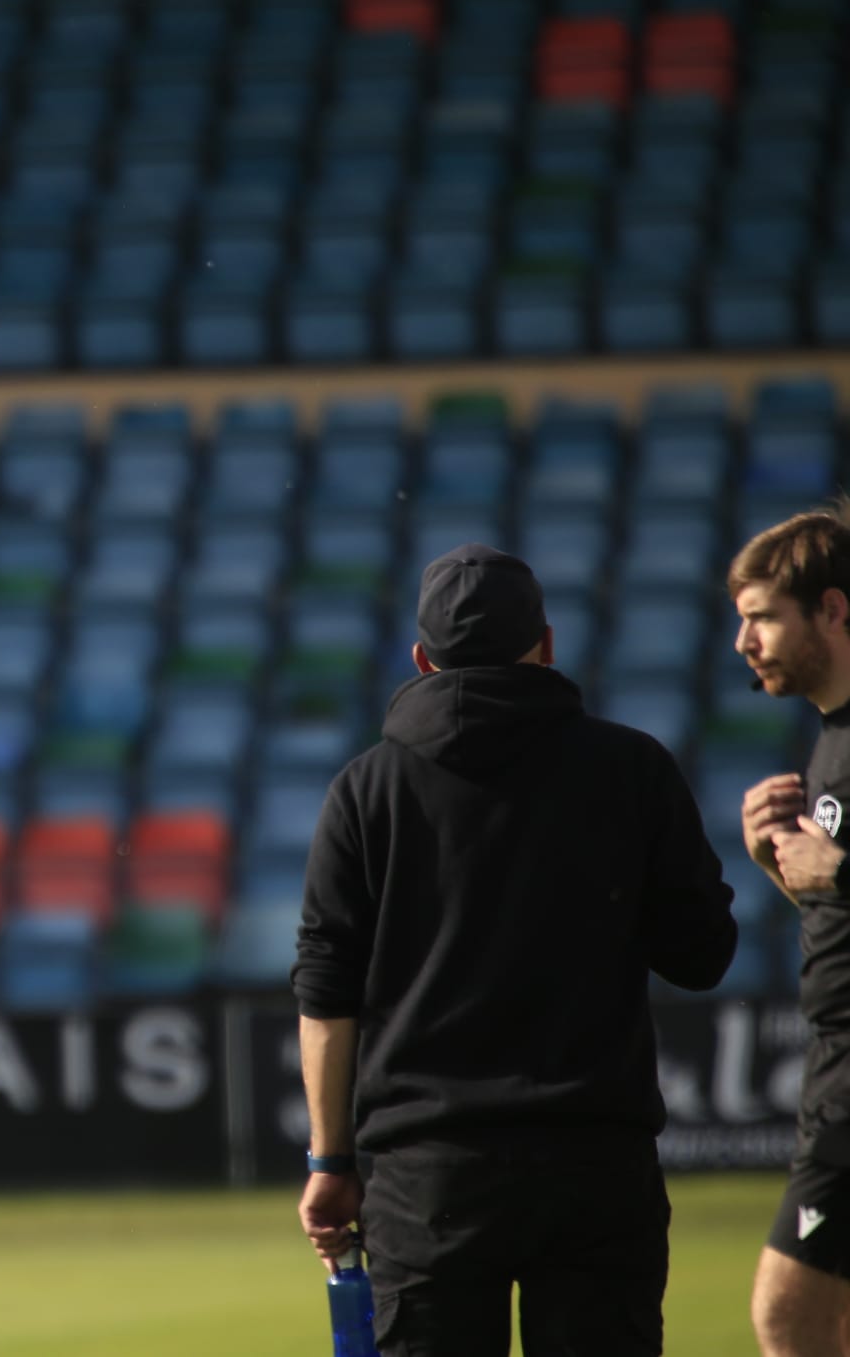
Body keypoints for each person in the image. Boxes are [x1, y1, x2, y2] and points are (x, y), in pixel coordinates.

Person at [293, 542, 738, 1357]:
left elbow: (326, 991)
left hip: (427, 1175)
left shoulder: (364, 789)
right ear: (547, 644)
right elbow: (702, 955)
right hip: (595, 1165)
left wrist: (330, 1158)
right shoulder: (632, 769)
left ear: (423, 659)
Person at [730, 504, 850, 1357]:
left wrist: (837, 871)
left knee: (787, 1312)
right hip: (835, 1062)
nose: (745, 642)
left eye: (763, 617)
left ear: (833, 610)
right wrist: (788, 874)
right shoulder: (828, 743)